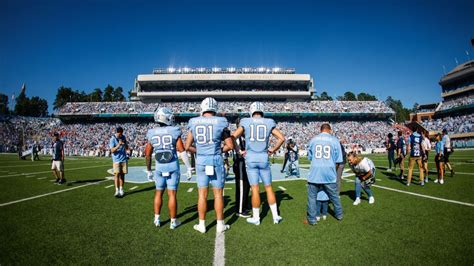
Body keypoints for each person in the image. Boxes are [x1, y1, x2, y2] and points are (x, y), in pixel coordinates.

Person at [232, 101, 285, 225]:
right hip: (263, 158)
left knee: (255, 189)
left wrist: (239, 151)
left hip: (250, 159)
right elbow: (282, 138)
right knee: (269, 187)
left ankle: (256, 218)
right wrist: (273, 149)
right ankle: (275, 216)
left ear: (251, 111)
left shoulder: (245, 121)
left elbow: (233, 137)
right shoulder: (269, 122)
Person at [185, 97, 233, 234]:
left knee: (202, 195)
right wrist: (217, 151)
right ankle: (220, 224)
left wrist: (199, 151)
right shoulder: (221, 121)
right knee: (218, 194)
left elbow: (187, 146)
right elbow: (229, 145)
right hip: (216, 159)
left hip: (201, 160)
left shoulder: (194, 122)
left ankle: (202, 224)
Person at [146, 108, 184, 230]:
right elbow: (181, 149)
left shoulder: (152, 132)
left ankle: (157, 219)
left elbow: (147, 153)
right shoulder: (174, 130)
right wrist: (189, 167)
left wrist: (148, 170)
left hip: (159, 166)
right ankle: (173, 222)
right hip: (172, 165)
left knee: (158, 192)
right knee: (172, 194)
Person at [305, 123, 343, 225]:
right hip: (329, 171)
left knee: (312, 197)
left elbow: (310, 157)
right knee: (334, 195)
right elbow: (338, 160)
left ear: (320, 130)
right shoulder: (335, 140)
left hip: (315, 171)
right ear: (329, 130)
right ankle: (339, 215)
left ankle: (312, 219)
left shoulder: (313, 140)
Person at [232, 117, 251, 218]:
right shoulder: (237, 137)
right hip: (240, 163)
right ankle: (240, 210)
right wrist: (240, 152)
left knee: (246, 185)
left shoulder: (244, 136)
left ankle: (244, 205)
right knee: (241, 186)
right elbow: (237, 150)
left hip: (245, 163)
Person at [109, 126, 129, 197]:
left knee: (122, 175)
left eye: (122, 134)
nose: (121, 135)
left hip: (124, 159)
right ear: (117, 132)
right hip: (116, 160)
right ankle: (116, 190)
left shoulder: (123, 137)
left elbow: (126, 147)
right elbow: (112, 150)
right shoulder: (112, 139)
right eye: (120, 134)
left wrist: (125, 145)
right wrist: (118, 145)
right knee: (116, 175)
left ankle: (121, 189)